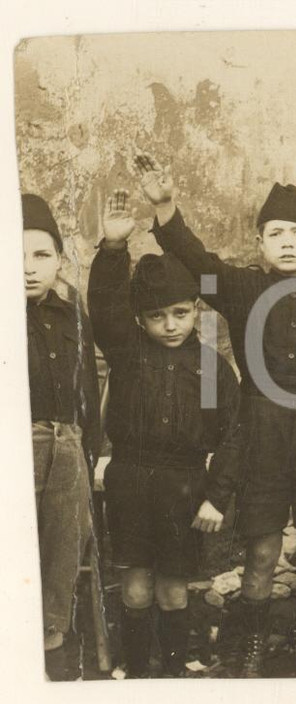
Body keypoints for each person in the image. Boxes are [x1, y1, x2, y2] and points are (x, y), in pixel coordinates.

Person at [133, 153, 296, 677]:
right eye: (274, 232)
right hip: (264, 433)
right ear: (259, 243)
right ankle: (252, 645)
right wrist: (166, 209)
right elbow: (199, 263)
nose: (286, 242)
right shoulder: (244, 289)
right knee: (261, 551)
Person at [88, 189, 243, 677]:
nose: (170, 324)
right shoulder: (127, 351)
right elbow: (105, 306)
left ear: (196, 309)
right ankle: (136, 673)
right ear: (140, 319)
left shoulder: (213, 368)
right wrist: (113, 250)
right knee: (135, 586)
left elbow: (234, 435)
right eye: (156, 316)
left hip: (185, 486)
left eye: (180, 312)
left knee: (174, 588)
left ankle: (173, 673)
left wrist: (216, 497)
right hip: (131, 482)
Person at [21, 193, 101, 678]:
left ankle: (54, 639)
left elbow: (87, 391)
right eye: (14, 254)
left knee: (63, 544)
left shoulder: (72, 317)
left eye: (41, 255)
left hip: (67, 446)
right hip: (17, 446)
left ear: (60, 261)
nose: (28, 268)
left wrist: (92, 452)